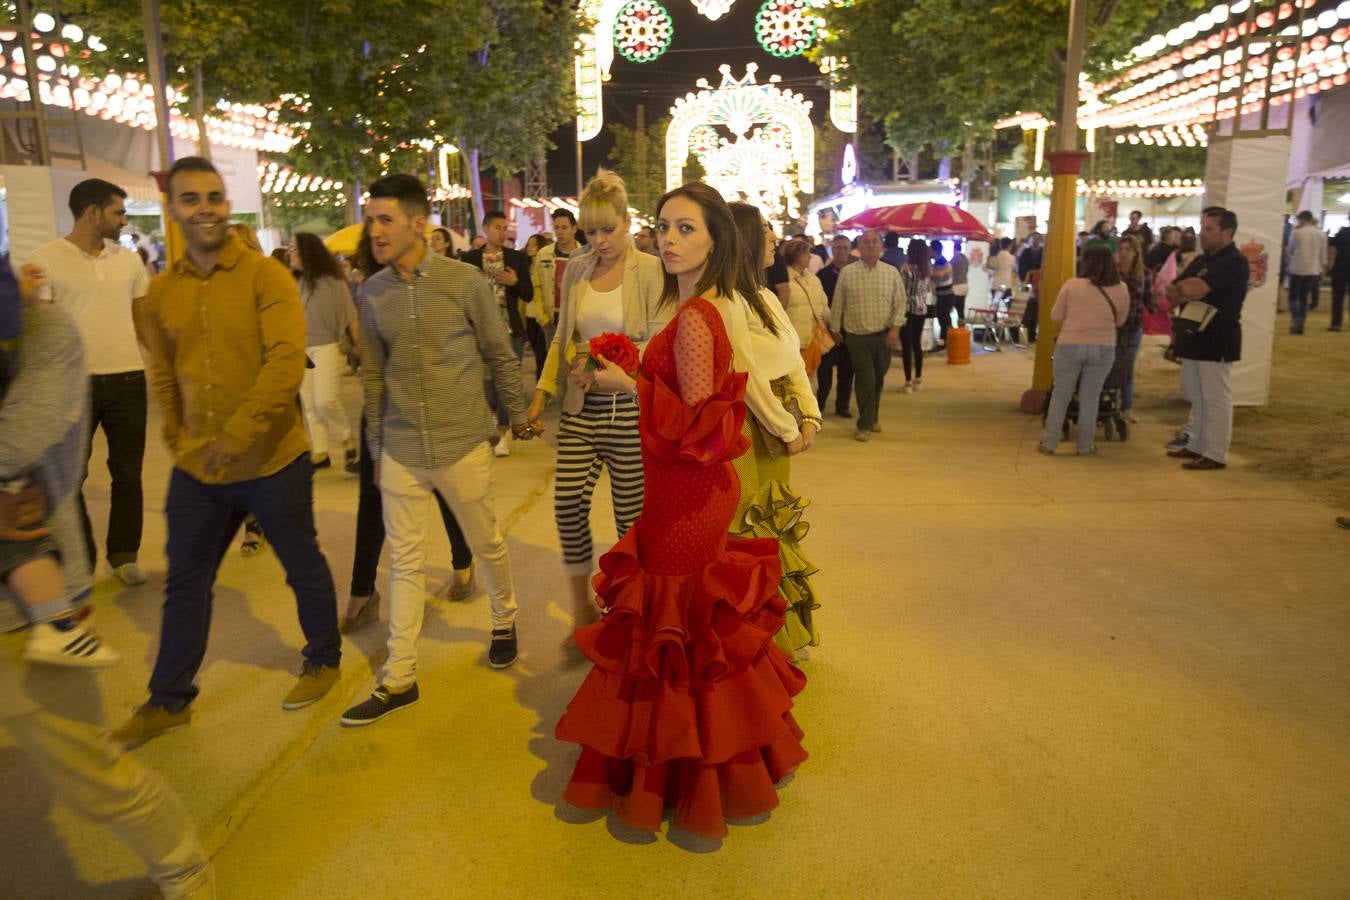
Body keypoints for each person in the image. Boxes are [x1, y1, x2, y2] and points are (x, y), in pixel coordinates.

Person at [554, 181, 807, 839]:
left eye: (686, 228)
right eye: (663, 226)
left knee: (679, 628)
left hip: (687, 492)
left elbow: (695, 426)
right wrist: (637, 366)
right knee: (684, 629)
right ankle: (706, 762)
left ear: (718, 239)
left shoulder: (699, 314)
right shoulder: (698, 305)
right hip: (685, 488)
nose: (668, 238)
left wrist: (624, 380)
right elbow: (690, 395)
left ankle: (694, 772)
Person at [0, 262, 215, 899]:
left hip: (20, 608)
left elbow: (38, 463)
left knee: (90, 775)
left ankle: (183, 866)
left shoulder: (45, 332)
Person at [113, 156, 343, 748]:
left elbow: (286, 361)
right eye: (191, 199)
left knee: (302, 566)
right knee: (185, 583)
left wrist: (234, 436)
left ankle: (322, 658)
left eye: (214, 196)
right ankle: (168, 700)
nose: (206, 208)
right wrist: (179, 441)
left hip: (271, 460)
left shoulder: (266, 276)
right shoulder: (161, 291)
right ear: (173, 211)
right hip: (197, 470)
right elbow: (162, 374)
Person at [343, 174, 535, 726]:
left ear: (418, 224)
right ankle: (399, 677)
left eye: (385, 219)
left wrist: (515, 417)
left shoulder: (463, 281)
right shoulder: (372, 291)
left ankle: (504, 618)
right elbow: (374, 378)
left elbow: (499, 353)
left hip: (460, 442)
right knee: (404, 561)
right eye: (370, 219)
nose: (374, 230)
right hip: (401, 446)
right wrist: (378, 448)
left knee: (486, 541)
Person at [525, 172, 667, 646]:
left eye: (608, 229)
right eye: (591, 231)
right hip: (581, 408)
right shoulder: (579, 270)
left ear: (628, 222)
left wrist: (619, 356)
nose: (600, 240)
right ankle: (582, 606)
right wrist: (543, 392)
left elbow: (662, 340)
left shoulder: (649, 269)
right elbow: (563, 339)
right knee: (567, 504)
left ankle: (634, 610)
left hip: (628, 407)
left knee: (630, 518)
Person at [339, 225, 476, 634]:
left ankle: (462, 559)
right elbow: (363, 353)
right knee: (372, 498)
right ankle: (362, 591)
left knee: (443, 489)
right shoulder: (369, 291)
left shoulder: (441, 284)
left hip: (432, 406)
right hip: (382, 409)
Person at [28, 179, 150, 587]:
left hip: (129, 378)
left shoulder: (129, 262)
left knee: (128, 474)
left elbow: (143, 321)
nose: (124, 220)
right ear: (92, 212)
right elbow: (36, 329)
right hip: (72, 384)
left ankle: (124, 555)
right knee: (70, 478)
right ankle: (81, 557)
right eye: (118, 211)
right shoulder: (45, 260)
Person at [1, 261, 115, 667]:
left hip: (17, 616)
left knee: (26, 530)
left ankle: (58, 623)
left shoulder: (44, 329)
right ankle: (57, 624)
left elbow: (21, 438)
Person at [728, 202, 823, 658]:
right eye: (765, 228)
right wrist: (787, 427)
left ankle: (782, 631)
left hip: (779, 423)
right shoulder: (726, 300)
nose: (773, 237)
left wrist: (810, 415)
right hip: (750, 429)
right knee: (751, 524)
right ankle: (759, 639)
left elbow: (794, 358)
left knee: (774, 521)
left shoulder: (764, 296)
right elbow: (744, 375)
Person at [1164, 206, 1249, 471]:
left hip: (1218, 335)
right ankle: (1197, 444)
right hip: (1193, 332)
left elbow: (1193, 288)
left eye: (1209, 229)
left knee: (1215, 396)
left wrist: (1186, 291)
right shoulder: (1203, 260)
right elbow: (1171, 290)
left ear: (1228, 231)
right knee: (1197, 395)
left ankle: (1216, 452)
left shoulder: (1234, 261)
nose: (1203, 234)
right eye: (1202, 227)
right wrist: (1185, 291)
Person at [1038, 245, 1129, 456]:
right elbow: (1121, 320)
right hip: (1104, 346)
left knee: (1061, 395)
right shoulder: (1121, 288)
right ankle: (1085, 446)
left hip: (1070, 343)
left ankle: (1049, 444)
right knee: (1091, 397)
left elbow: (1056, 316)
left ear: (1085, 263)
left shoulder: (1072, 285)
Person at [462, 211, 534, 457]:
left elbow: (528, 294)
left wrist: (515, 282)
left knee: (507, 380)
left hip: (509, 328)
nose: (503, 232)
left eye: (505, 228)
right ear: (486, 229)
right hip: (479, 330)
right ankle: (491, 421)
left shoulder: (516, 258)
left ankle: (503, 432)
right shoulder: (469, 259)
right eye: (498, 227)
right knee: (486, 382)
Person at [288, 233, 359, 473]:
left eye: (294, 249)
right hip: (302, 348)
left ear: (308, 253)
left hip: (329, 346)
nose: (291, 253)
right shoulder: (294, 282)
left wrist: (359, 347)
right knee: (309, 403)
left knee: (325, 399)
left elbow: (351, 317)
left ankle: (347, 439)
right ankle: (320, 451)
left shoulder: (333, 281)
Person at [829, 230, 906, 442]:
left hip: (884, 336)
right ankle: (864, 425)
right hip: (856, 336)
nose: (871, 246)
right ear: (859, 247)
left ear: (881, 246)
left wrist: (895, 330)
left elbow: (900, 303)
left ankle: (872, 417)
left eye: (875, 242)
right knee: (866, 379)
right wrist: (835, 329)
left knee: (878, 379)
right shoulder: (848, 272)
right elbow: (838, 302)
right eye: (866, 242)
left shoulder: (891, 273)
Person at [529, 208, 583, 381]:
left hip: (578, 320)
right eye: (557, 227)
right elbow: (536, 287)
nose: (560, 232)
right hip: (552, 320)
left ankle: (575, 403)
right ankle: (560, 403)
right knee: (555, 365)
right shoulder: (544, 254)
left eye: (564, 227)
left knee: (578, 363)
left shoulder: (585, 255)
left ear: (574, 228)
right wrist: (542, 317)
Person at [814, 235, 855, 417]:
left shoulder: (855, 273)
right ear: (832, 250)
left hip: (851, 328)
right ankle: (820, 403)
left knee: (847, 369)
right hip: (828, 329)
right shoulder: (822, 275)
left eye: (845, 248)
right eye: (838, 248)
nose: (842, 251)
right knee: (825, 370)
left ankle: (842, 406)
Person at [1115, 235, 1152, 423]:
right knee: (1108, 367)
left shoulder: (1144, 274)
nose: (1123, 253)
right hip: (1112, 327)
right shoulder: (1111, 273)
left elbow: (1148, 299)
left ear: (1136, 252)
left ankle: (1126, 407)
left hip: (1133, 326)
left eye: (1128, 249)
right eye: (1121, 249)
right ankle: (1107, 404)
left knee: (1126, 368)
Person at [781, 237, 830, 360]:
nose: (810, 256)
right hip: (794, 339)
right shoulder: (783, 280)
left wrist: (830, 326)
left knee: (812, 376)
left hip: (814, 338)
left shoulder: (814, 279)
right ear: (796, 255)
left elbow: (823, 305)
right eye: (807, 253)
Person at [898, 239, 933, 394]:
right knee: (917, 344)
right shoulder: (927, 268)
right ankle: (918, 379)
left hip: (907, 310)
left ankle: (907, 383)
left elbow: (901, 290)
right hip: (922, 310)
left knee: (906, 346)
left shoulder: (906, 268)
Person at [1286, 210, 1327, 335]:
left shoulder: (1296, 232)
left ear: (1302, 219)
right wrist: (1323, 270)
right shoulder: (1321, 234)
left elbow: (1290, 250)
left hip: (1297, 268)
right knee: (1304, 299)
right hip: (1313, 270)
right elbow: (1323, 255)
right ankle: (1301, 324)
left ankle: (1295, 319)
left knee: (1292, 298)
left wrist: (1290, 259)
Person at [930, 239, 956, 346]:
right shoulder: (942, 260)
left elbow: (937, 280)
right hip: (947, 295)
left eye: (929, 249)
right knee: (945, 319)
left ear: (934, 250)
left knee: (943, 320)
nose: (928, 252)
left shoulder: (940, 262)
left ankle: (946, 342)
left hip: (945, 296)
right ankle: (948, 341)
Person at [1330, 223, 1350, 332]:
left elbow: (1332, 245)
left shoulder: (1342, 232)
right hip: (1341, 267)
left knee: (1337, 297)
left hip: (1340, 267)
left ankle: (1336, 324)